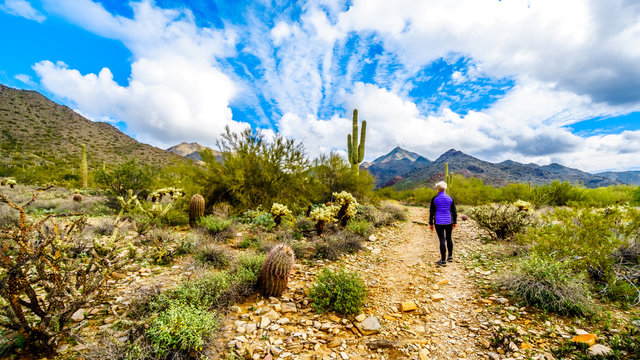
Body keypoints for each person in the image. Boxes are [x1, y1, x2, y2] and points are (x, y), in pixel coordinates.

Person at [429, 181, 457, 267]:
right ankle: (450, 257)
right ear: (445, 189)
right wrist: (455, 222)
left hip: (438, 221)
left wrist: (431, 223)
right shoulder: (450, 198)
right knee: (449, 238)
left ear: (438, 189)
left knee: (442, 240)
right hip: (449, 221)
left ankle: (443, 260)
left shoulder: (434, 199)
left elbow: (431, 212)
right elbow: (454, 211)